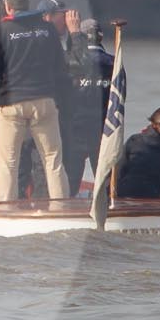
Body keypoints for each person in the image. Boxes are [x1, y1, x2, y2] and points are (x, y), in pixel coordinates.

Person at [0, 0, 69, 202]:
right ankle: (61, 209)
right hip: (45, 101)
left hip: (12, 103)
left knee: (9, 163)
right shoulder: (47, 29)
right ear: (28, 4)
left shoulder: (0, 31)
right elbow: (60, 67)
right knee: (53, 159)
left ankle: (7, 211)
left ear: (7, 6)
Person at [63, 19, 116, 193]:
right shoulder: (114, 63)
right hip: (103, 128)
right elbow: (118, 98)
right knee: (104, 179)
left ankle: (66, 211)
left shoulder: (72, 62)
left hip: (76, 126)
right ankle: (109, 208)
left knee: (71, 179)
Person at [115, 107, 160, 198]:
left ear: (153, 123)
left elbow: (118, 172)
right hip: (153, 195)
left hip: (124, 192)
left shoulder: (134, 140)